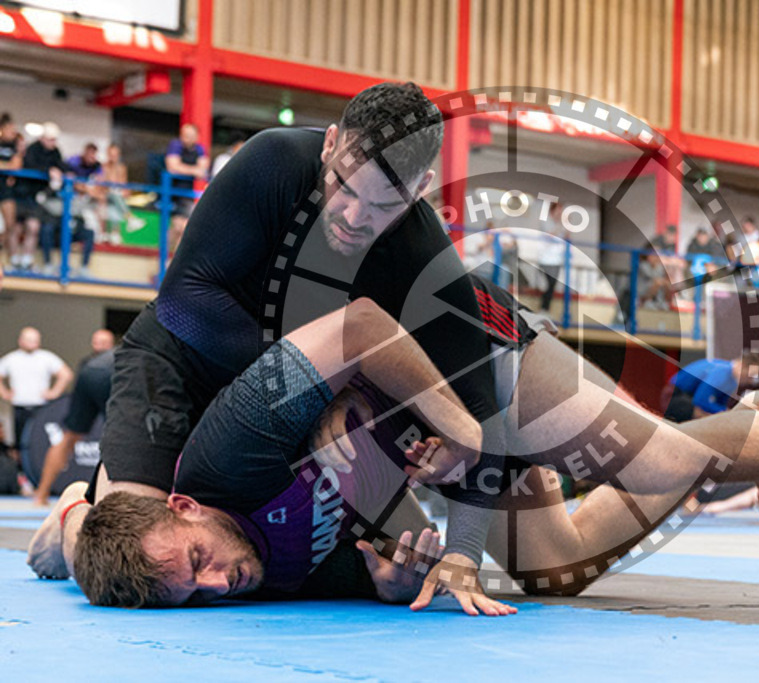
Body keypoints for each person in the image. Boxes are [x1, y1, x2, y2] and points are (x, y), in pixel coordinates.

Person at [74, 283, 759, 609]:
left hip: (461, 344)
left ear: (183, 505)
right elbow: (382, 567)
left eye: (193, 560)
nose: (211, 581)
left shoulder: (224, 449)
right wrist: (404, 576)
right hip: (450, 442)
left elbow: (358, 324)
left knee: (655, 459)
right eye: (186, 595)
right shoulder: (239, 579)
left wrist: (441, 420)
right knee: (560, 571)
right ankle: (749, 436)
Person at [28, 83, 506, 606]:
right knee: (138, 563)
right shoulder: (274, 163)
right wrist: (319, 390)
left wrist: (463, 553)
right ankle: (76, 512)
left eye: (382, 205)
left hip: (280, 400)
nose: (352, 216)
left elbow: (478, 406)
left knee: (348, 546)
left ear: (420, 190)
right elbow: (184, 299)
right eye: (343, 185)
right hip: (181, 361)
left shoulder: (421, 252)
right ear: (328, 144)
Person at [32, 348, 113, 506]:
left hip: (89, 372)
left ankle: (41, 494)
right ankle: (108, 499)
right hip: (113, 374)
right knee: (123, 436)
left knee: (69, 436)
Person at [0, 327, 74, 463]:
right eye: (28, 340)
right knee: (19, 443)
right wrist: (4, 393)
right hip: (19, 407)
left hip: (41, 407)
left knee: (39, 441)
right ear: (20, 341)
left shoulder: (46, 357)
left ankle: (38, 467)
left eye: (34, 340)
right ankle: (21, 472)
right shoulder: (12, 358)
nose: (32, 343)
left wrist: (54, 392)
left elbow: (66, 374)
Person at [40, 142, 102, 278]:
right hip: (59, 222)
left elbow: (98, 193)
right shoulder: (70, 166)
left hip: (74, 221)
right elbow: (45, 200)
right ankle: (48, 264)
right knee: (48, 228)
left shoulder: (96, 169)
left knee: (88, 232)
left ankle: (84, 268)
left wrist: (84, 188)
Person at [10, 122, 65, 272]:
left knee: (33, 228)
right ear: (43, 138)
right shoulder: (32, 150)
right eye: (50, 140)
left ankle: (27, 260)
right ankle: (14, 260)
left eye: (55, 140)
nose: (53, 143)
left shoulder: (55, 152)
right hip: (20, 195)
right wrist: (49, 171)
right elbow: (30, 166)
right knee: (16, 228)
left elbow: (61, 166)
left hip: (35, 198)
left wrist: (60, 172)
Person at [659, 354, 757, 418]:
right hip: (673, 395)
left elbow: (721, 405)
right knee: (702, 415)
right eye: (749, 375)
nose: (749, 380)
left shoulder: (733, 381)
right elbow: (700, 400)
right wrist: (725, 412)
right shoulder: (723, 371)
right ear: (741, 365)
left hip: (687, 396)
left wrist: (724, 412)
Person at [164, 123, 210, 250]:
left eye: (190, 136)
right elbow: (172, 167)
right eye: (184, 135)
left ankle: (169, 262)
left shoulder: (199, 149)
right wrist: (194, 171)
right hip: (172, 193)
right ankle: (164, 260)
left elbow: (203, 168)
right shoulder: (175, 145)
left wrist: (183, 169)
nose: (187, 138)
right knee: (179, 228)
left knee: (183, 229)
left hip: (187, 195)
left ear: (196, 137)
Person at [0, 113, 22, 259]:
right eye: (9, 129)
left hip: (5, 189)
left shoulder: (14, 146)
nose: (12, 132)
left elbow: (16, 165)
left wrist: (4, 166)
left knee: (9, 225)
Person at [537, 202, 565, 312]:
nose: (560, 213)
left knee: (553, 285)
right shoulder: (546, 223)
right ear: (553, 211)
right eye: (559, 210)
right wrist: (560, 226)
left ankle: (546, 308)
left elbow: (566, 237)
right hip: (546, 259)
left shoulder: (561, 225)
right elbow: (550, 236)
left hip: (557, 259)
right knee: (548, 285)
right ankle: (543, 308)